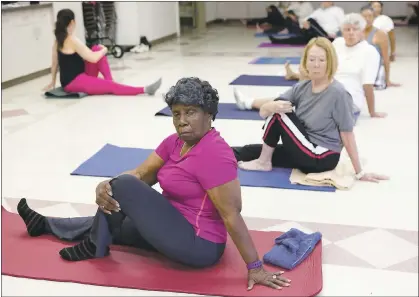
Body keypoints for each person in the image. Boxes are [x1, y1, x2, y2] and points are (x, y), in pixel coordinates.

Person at [18, 77, 292, 291]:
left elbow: (232, 214)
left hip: (198, 244)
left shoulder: (215, 153)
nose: (182, 121)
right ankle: (44, 224)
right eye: (176, 113)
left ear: (209, 114)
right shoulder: (175, 142)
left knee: (121, 186)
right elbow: (141, 174)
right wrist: (106, 188)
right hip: (169, 227)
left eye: (191, 112)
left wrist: (255, 266)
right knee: (115, 215)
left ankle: (95, 247)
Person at [232, 38, 388, 183]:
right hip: (303, 147)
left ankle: (263, 162)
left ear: (330, 62)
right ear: (306, 61)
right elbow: (265, 113)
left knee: (280, 115)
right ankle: (214, 154)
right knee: (251, 150)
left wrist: (359, 172)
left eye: (321, 60)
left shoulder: (339, 94)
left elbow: (347, 135)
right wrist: (268, 106)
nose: (316, 64)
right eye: (312, 59)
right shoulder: (302, 87)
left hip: (322, 156)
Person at [258, 13, 386, 118]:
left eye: (355, 29)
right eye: (347, 29)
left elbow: (368, 85)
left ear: (362, 31)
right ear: (342, 31)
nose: (351, 33)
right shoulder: (338, 43)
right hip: (326, 88)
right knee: (293, 97)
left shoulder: (370, 52)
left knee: (301, 104)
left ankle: (267, 106)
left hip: (348, 99)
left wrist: (372, 112)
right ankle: (249, 102)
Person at [43, 9, 161, 96]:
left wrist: (53, 82)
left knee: (96, 49)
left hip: (78, 76)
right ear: (72, 22)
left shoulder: (57, 41)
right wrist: (105, 50)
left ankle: (110, 82)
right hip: (74, 83)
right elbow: (93, 59)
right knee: (101, 58)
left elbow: (54, 65)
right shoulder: (73, 40)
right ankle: (144, 89)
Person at [361, 5, 400, 89]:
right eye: (364, 16)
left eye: (370, 16)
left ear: (374, 18)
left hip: (374, 69)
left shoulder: (380, 34)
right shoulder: (356, 32)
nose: (367, 19)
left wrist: (387, 80)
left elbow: (386, 59)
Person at [269, 2, 343, 45]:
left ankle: (326, 37)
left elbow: (343, 23)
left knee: (311, 21)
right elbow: (306, 19)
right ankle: (276, 41)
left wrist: (337, 35)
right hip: (316, 34)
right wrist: (306, 24)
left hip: (330, 36)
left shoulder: (337, 10)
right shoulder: (319, 11)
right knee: (299, 39)